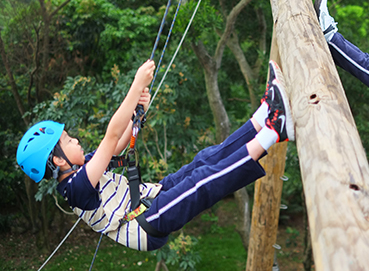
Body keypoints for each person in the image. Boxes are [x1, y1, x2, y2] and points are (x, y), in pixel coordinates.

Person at [16, 60, 294, 251]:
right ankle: (274, 130)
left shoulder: (82, 167)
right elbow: (110, 137)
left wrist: (137, 114)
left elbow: (115, 147)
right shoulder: (74, 189)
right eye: (68, 140)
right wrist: (135, 87)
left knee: (204, 161)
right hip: (147, 222)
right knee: (203, 180)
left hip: (150, 197)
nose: (75, 140)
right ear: (58, 160)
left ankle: (265, 115)